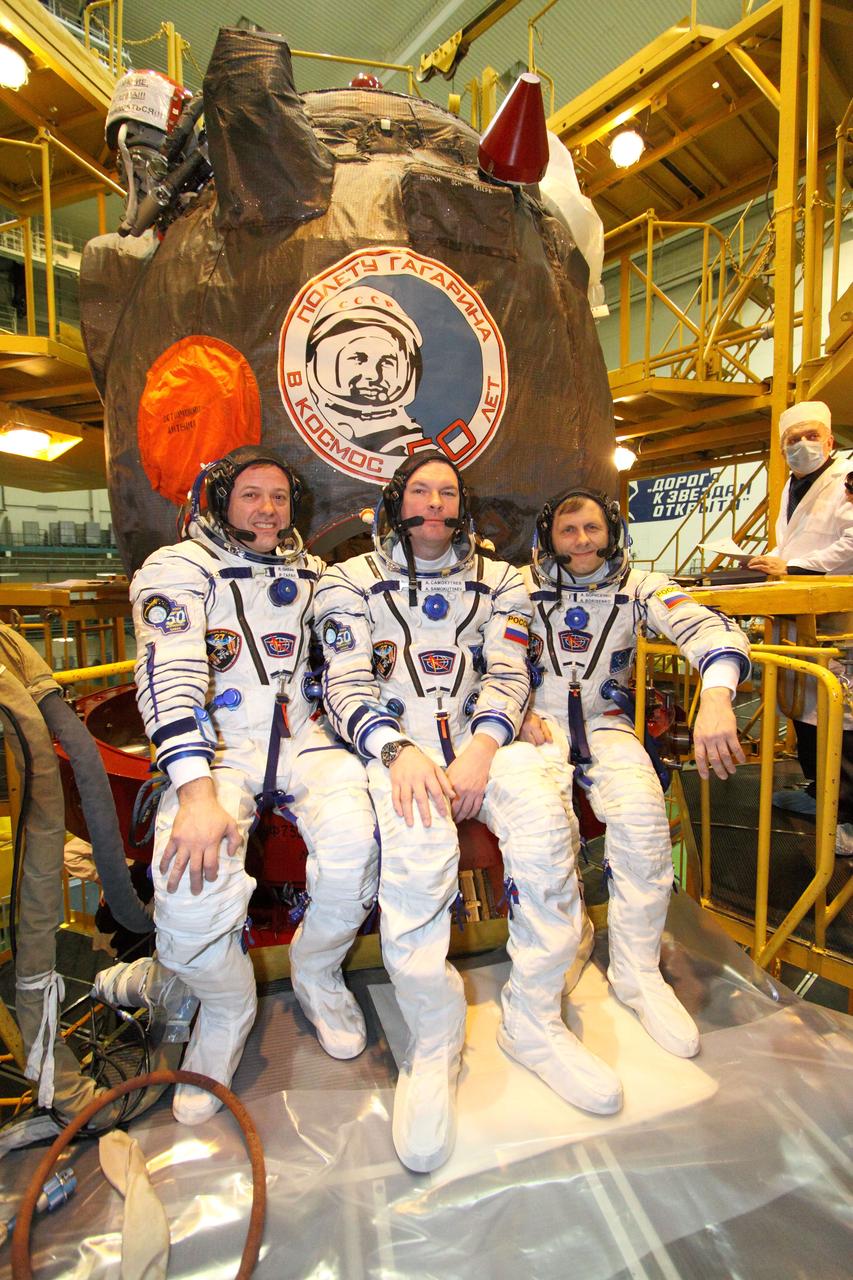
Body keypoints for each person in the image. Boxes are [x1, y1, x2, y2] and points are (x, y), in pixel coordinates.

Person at [315, 452, 622, 1173]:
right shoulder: (347, 581)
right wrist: (396, 751)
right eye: (420, 491)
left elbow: (510, 673)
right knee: (420, 861)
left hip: (483, 740)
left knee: (547, 834)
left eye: (446, 492)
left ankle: (534, 1019)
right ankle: (434, 1041)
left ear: (462, 505)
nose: (434, 503)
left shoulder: (501, 580)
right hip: (402, 748)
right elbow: (344, 682)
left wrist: (482, 750)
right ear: (396, 503)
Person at [95, 446, 379, 1124]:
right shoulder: (178, 570)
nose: (268, 509)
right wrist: (193, 791)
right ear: (220, 502)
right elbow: (170, 672)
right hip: (220, 752)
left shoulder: (316, 576)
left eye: (279, 497)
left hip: (307, 741)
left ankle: (317, 972)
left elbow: (354, 663)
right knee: (189, 889)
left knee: (356, 846)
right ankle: (225, 1010)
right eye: (252, 495)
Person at [521, 487, 750, 1057]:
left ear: (612, 533)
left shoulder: (641, 586)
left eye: (592, 529)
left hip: (606, 724)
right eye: (568, 530)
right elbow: (474, 653)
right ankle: (565, 943)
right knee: (543, 832)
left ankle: (637, 969)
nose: (581, 541)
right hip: (536, 726)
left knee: (645, 824)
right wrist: (512, 708)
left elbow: (708, 628)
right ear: (549, 537)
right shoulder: (518, 588)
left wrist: (717, 695)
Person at [747, 401, 853, 857]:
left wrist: (792, 567)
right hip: (798, 620)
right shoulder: (793, 485)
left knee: (842, 717)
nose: (801, 445)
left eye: (811, 436)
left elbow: (850, 543)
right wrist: (767, 560)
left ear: (829, 440)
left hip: (837, 619)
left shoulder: (846, 478)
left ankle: (847, 816)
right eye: (792, 440)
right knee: (803, 709)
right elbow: (793, 543)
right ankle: (819, 793)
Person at [306, 287, 425, 455]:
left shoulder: (415, 451)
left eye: (387, 362)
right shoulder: (300, 446)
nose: (374, 375)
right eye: (358, 359)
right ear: (317, 361)